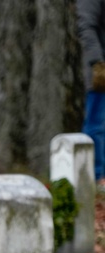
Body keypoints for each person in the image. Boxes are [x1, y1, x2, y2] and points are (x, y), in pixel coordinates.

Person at [79, 0, 105, 184]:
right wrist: (97, 63)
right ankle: (95, 179)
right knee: (96, 126)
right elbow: (86, 26)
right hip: (101, 70)